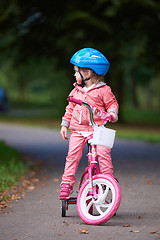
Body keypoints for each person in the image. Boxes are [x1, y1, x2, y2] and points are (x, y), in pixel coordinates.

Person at [59, 48, 119, 200]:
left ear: (87, 73)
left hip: (98, 129)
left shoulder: (103, 90)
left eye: (76, 71)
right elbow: (70, 108)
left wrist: (113, 113)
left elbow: (112, 103)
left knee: (104, 154)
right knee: (72, 156)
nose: (74, 74)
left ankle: (107, 181)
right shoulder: (76, 91)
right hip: (78, 130)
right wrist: (64, 125)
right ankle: (66, 184)